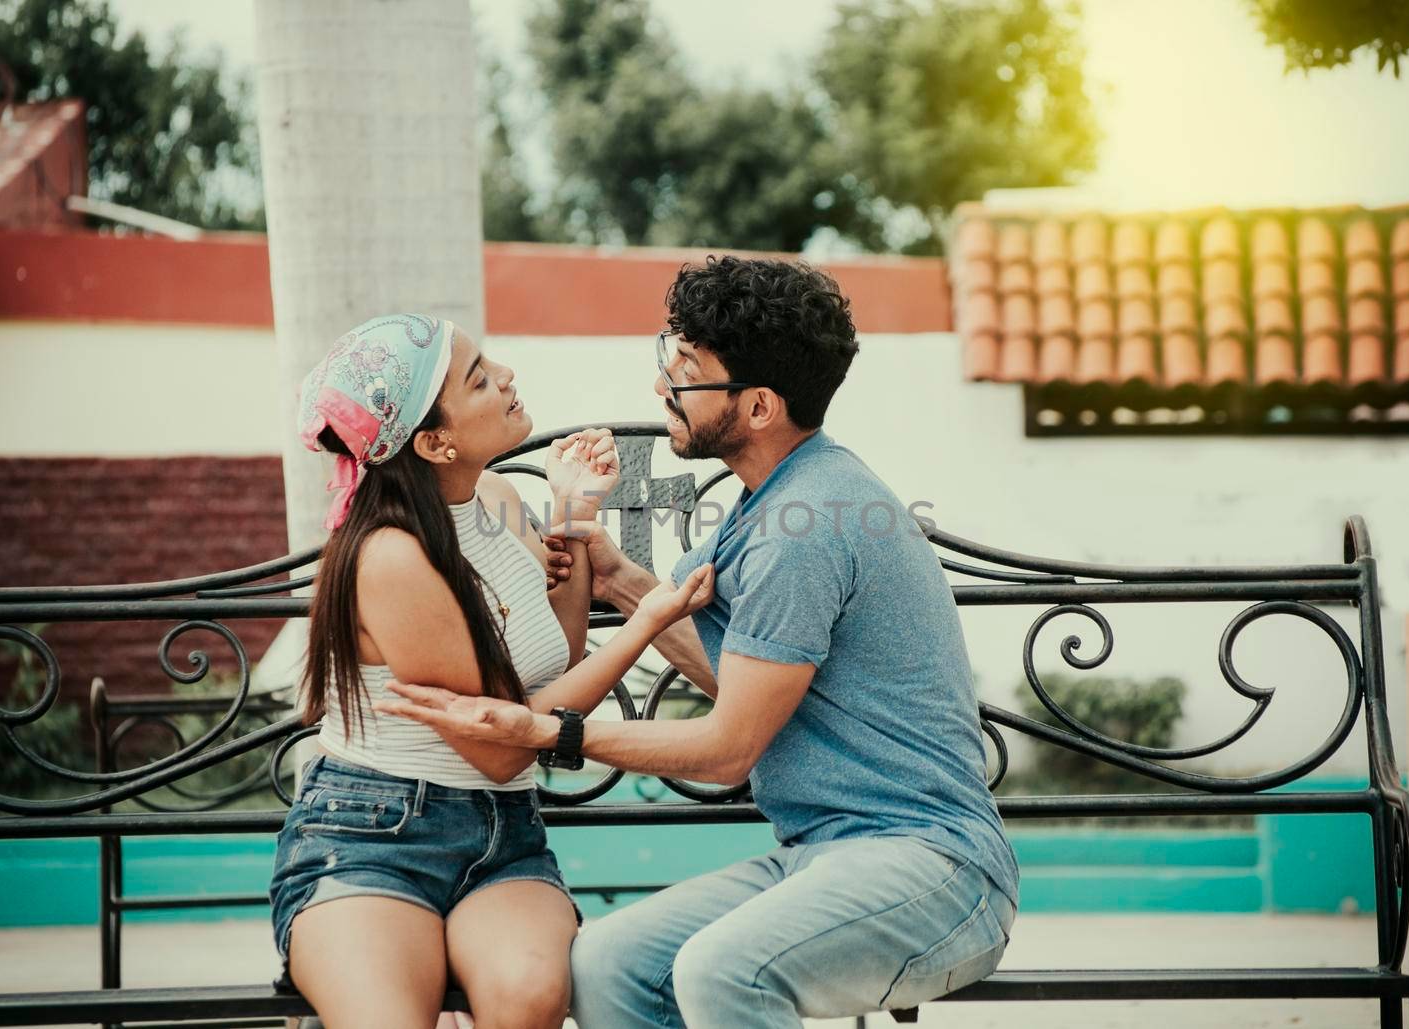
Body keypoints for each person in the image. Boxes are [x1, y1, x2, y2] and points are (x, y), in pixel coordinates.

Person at [375, 257, 1020, 1028]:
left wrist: (548, 730)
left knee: (723, 972)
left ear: (755, 407)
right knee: (605, 964)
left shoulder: (807, 525)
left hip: (936, 871)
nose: (660, 388)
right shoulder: (773, 504)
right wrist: (615, 577)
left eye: (685, 370)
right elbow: (741, 678)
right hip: (821, 856)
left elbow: (727, 748)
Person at [269, 312, 715, 1029]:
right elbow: (506, 746)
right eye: (479, 378)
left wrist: (570, 515)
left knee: (530, 995)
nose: (505, 377)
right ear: (435, 442)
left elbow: (551, 663)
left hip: (500, 833)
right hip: (370, 836)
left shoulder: (499, 501)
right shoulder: (390, 557)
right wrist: (646, 622)